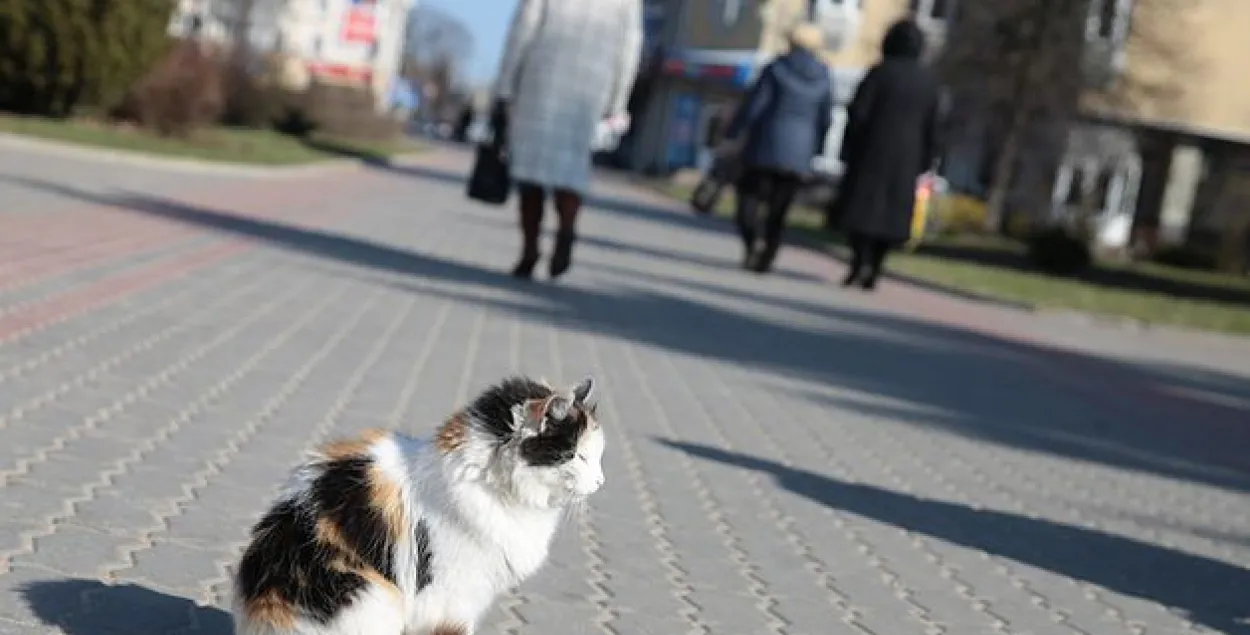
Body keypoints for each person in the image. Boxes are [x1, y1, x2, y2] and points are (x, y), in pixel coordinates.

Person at [493, 0, 643, 280]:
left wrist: (505, 84)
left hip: (541, 75)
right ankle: (567, 227)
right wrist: (618, 98)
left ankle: (529, 251)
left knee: (531, 173)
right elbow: (629, 46)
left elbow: (524, 28)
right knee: (572, 169)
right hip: (591, 84)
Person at [833, 18, 941, 291]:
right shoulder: (927, 82)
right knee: (892, 217)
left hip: (871, 152)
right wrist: (927, 159)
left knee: (862, 211)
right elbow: (933, 126)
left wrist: (849, 147)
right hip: (907, 158)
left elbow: (858, 113)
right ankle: (875, 269)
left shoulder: (879, 73)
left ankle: (858, 264)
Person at [722, 22, 834, 274]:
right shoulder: (824, 76)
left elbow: (755, 106)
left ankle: (752, 243)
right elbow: (825, 118)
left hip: (764, 148)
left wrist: (734, 132)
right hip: (798, 155)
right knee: (779, 209)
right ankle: (768, 253)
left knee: (748, 200)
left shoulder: (775, 68)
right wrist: (816, 148)